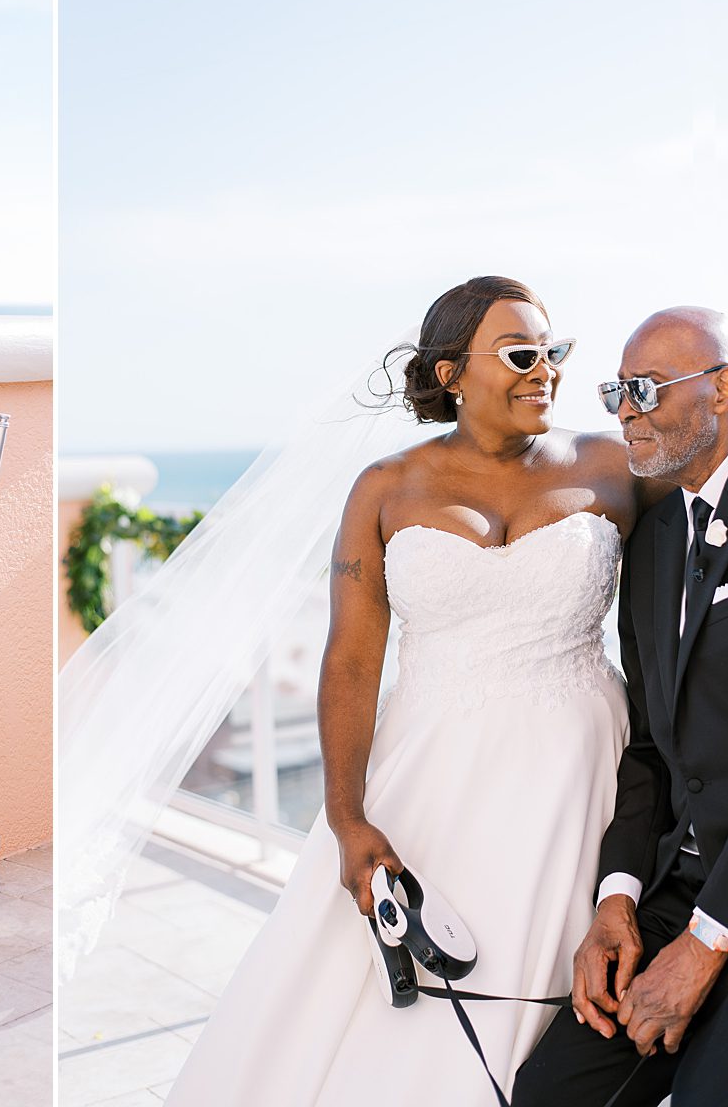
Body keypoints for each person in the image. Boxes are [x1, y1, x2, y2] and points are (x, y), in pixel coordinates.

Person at [164, 277, 659, 1105]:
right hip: (427, 776)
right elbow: (353, 662)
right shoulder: (385, 489)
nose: (546, 372)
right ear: (451, 373)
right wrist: (347, 816)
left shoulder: (616, 468)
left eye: (554, 352)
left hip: (578, 777)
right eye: (521, 354)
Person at [513, 310, 728, 1106]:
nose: (624, 411)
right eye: (615, 391)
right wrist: (617, 901)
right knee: (548, 1095)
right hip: (683, 888)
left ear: (724, 387)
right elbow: (649, 748)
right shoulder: (650, 536)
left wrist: (706, 947)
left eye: (644, 389)